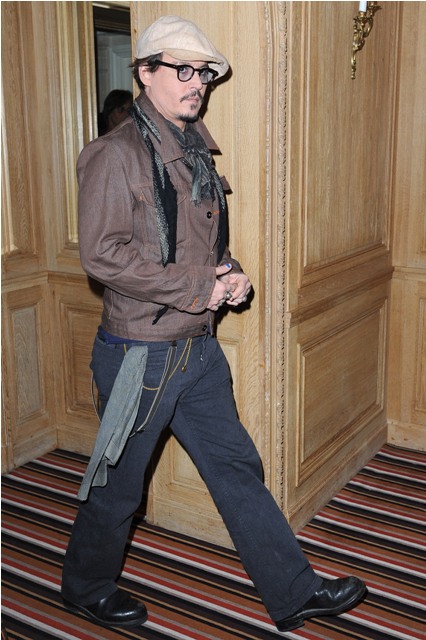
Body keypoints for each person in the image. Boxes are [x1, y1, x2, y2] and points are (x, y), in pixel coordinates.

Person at [61, 15, 367, 633]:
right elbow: (103, 256)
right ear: (145, 73)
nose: (196, 81)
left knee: (235, 468)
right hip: (141, 354)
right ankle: (84, 587)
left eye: (203, 72)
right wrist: (205, 286)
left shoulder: (195, 149)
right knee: (120, 487)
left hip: (196, 350)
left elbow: (197, 244)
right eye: (182, 69)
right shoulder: (114, 155)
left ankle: (293, 592)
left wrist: (231, 274)